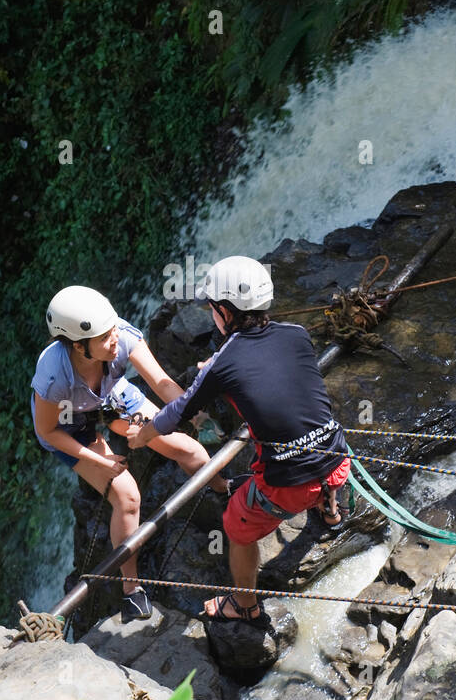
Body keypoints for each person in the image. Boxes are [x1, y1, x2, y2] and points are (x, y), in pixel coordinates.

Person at [129, 256, 351, 624]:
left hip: (289, 488)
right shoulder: (297, 333)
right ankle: (330, 510)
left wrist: (143, 434)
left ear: (225, 311)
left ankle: (244, 606)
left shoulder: (223, 362)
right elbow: (275, 374)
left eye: (213, 308)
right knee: (313, 446)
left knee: (235, 524)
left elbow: (178, 411)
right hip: (338, 458)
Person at [32, 285, 228, 622]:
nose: (114, 339)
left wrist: (193, 414)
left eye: (113, 331)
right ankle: (131, 589)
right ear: (79, 346)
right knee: (128, 496)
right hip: (70, 424)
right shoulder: (53, 377)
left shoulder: (120, 336)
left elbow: (162, 382)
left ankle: (227, 493)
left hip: (111, 397)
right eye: (105, 337)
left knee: (188, 447)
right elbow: (48, 432)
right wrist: (101, 459)